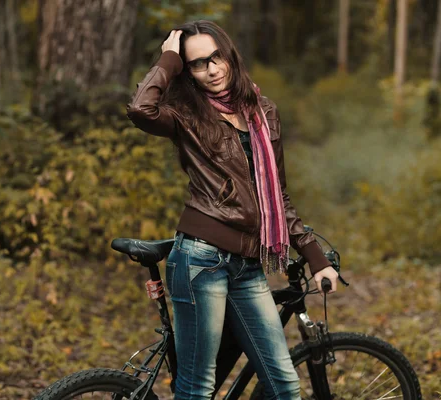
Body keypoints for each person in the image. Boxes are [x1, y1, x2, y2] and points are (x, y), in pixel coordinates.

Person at [127, 20, 338, 400]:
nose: (212, 70)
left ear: (230, 54)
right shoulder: (186, 115)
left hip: (248, 263)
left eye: (217, 57)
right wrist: (168, 58)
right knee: (197, 388)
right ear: (187, 72)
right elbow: (141, 109)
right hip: (200, 260)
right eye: (197, 63)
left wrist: (314, 255)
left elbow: (277, 194)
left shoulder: (263, 111)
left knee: (284, 386)